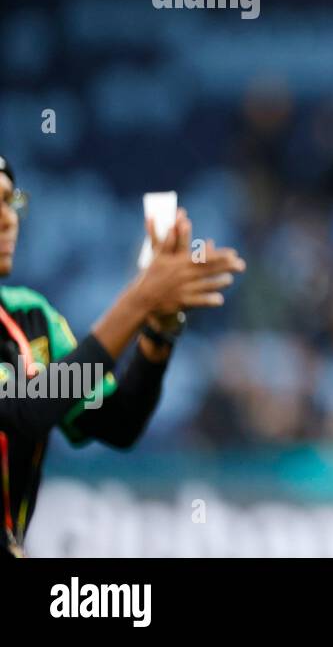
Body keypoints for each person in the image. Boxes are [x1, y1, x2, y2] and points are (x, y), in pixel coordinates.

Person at [0, 154, 246, 558]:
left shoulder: (31, 317)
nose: (9, 218)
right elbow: (24, 412)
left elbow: (117, 423)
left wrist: (158, 329)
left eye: (11, 201)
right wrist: (139, 299)